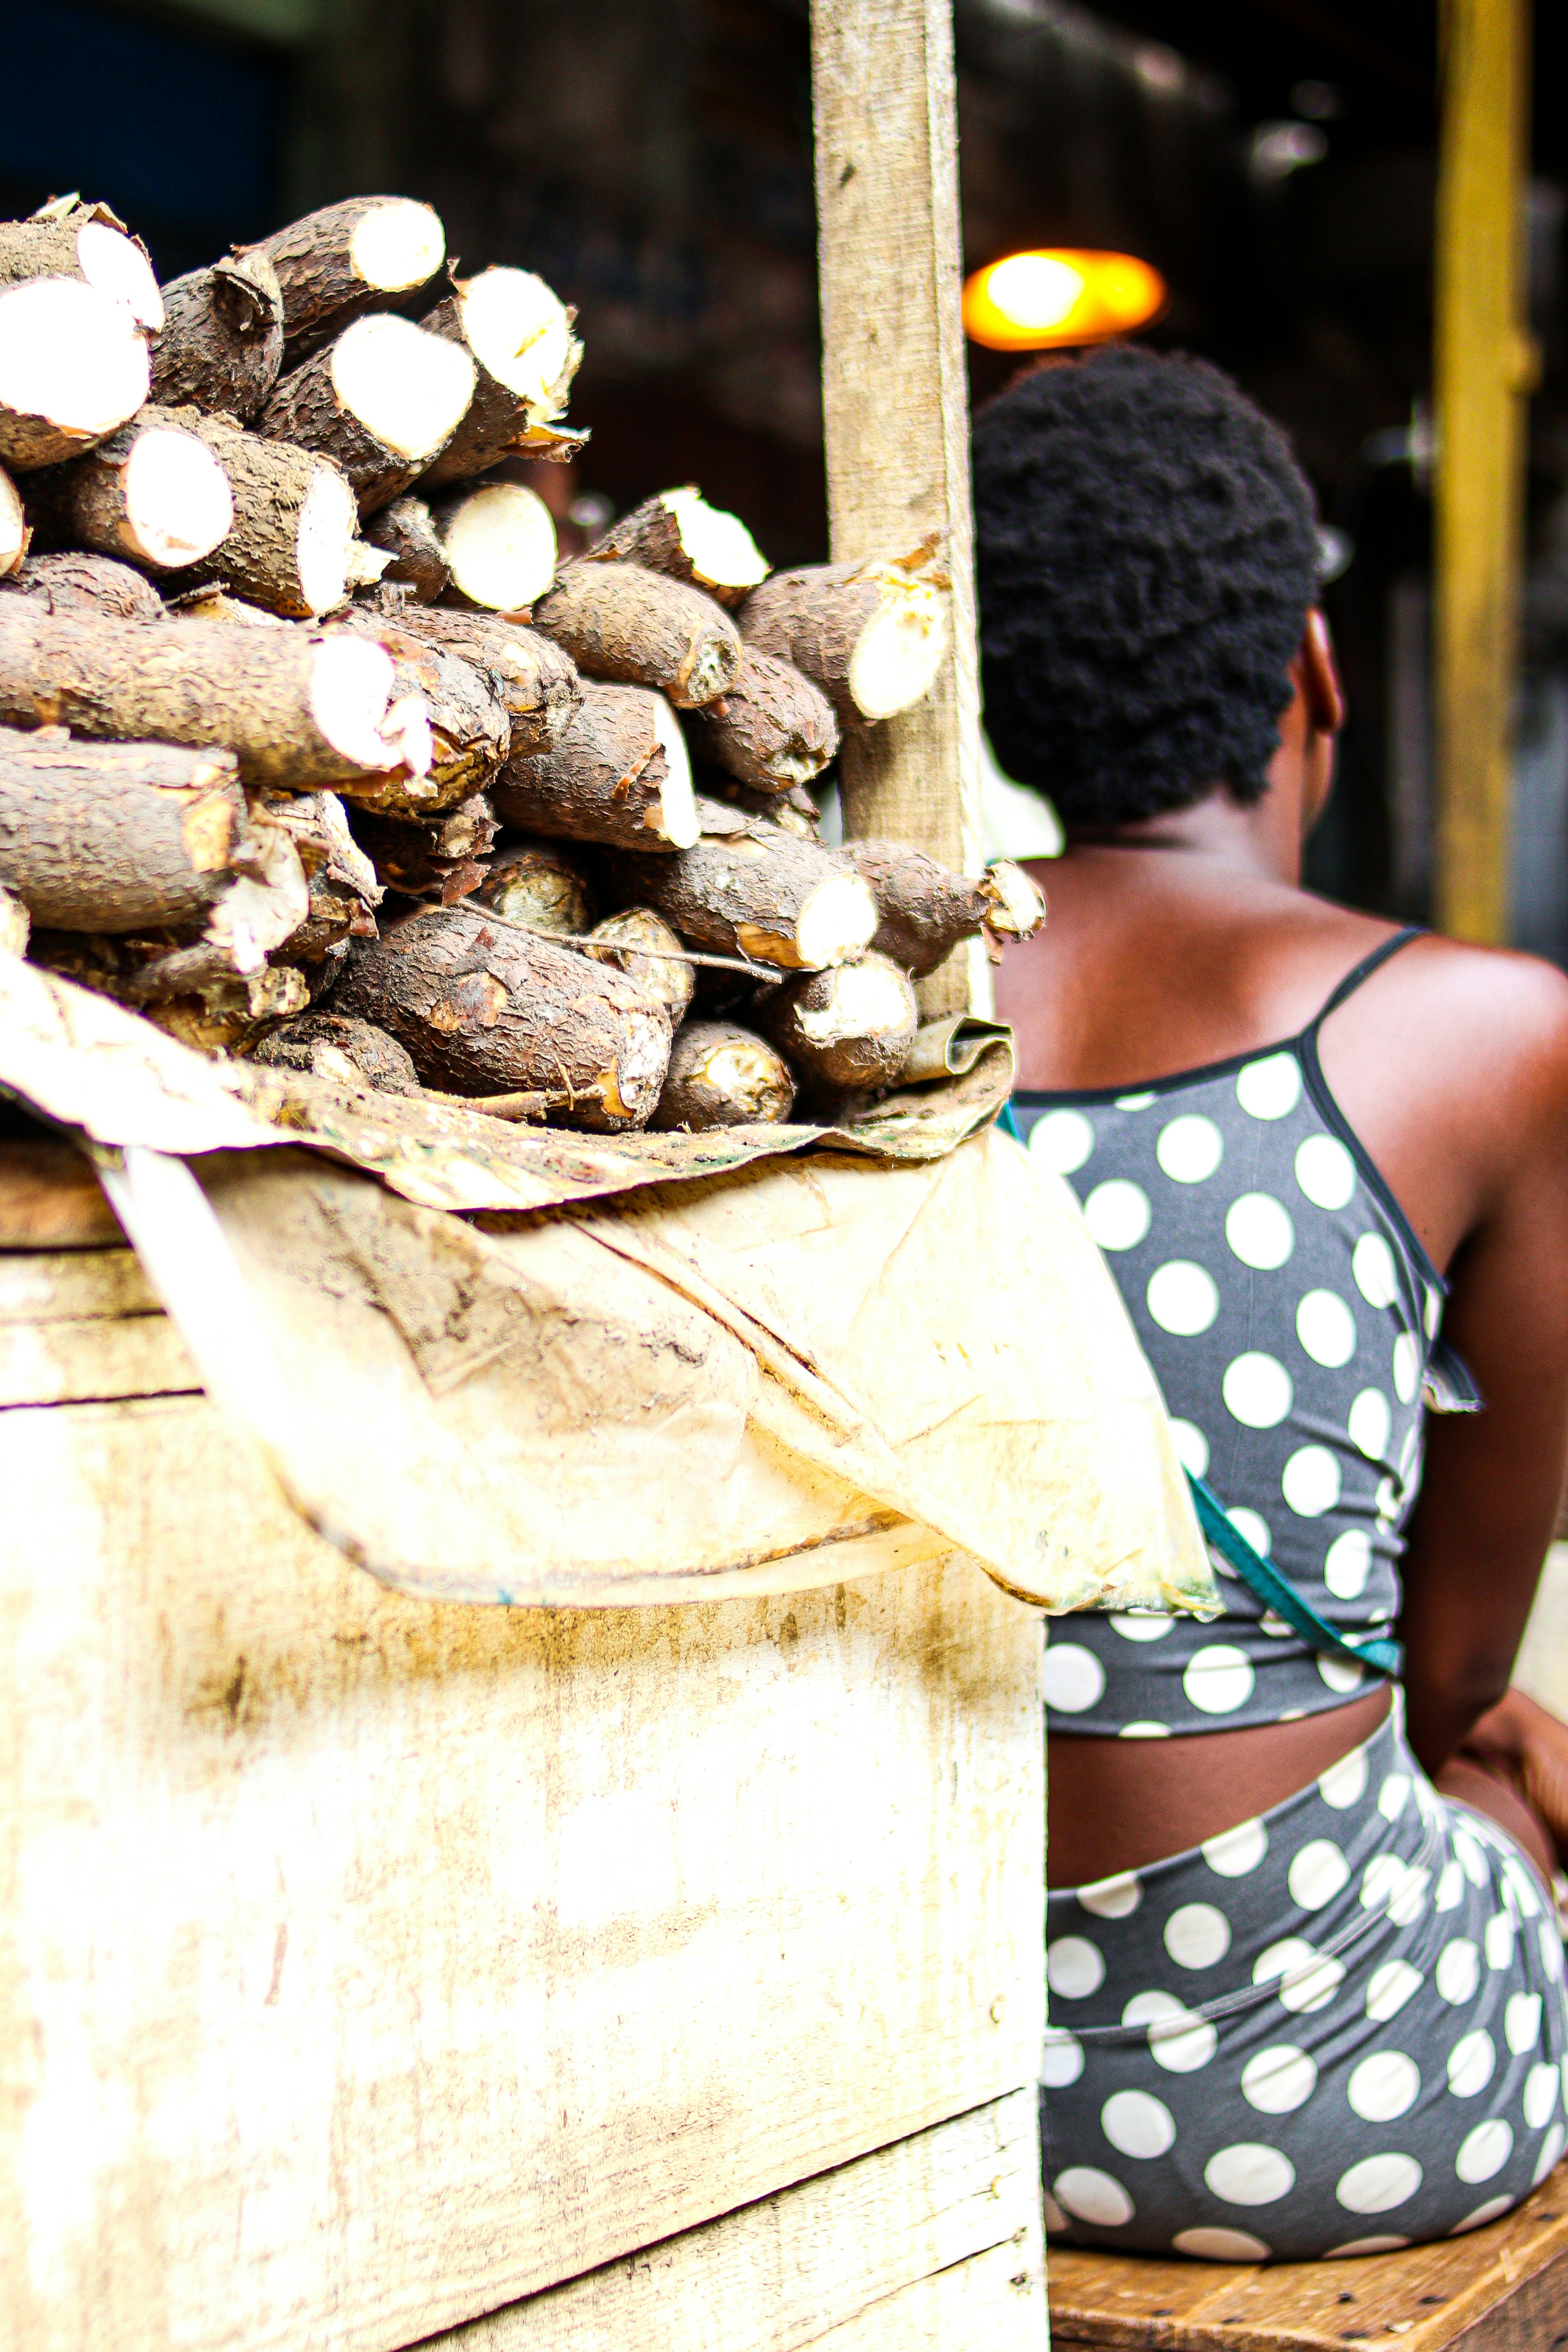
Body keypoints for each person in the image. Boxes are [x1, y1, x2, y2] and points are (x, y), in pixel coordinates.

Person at [976, 345, 1568, 2261]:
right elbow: (1456, 1669)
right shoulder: (1486, 1030)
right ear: (1314, 671)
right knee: (1524, 1758)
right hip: (1316, 2102)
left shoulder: (872, 990)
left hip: (921, 2055)